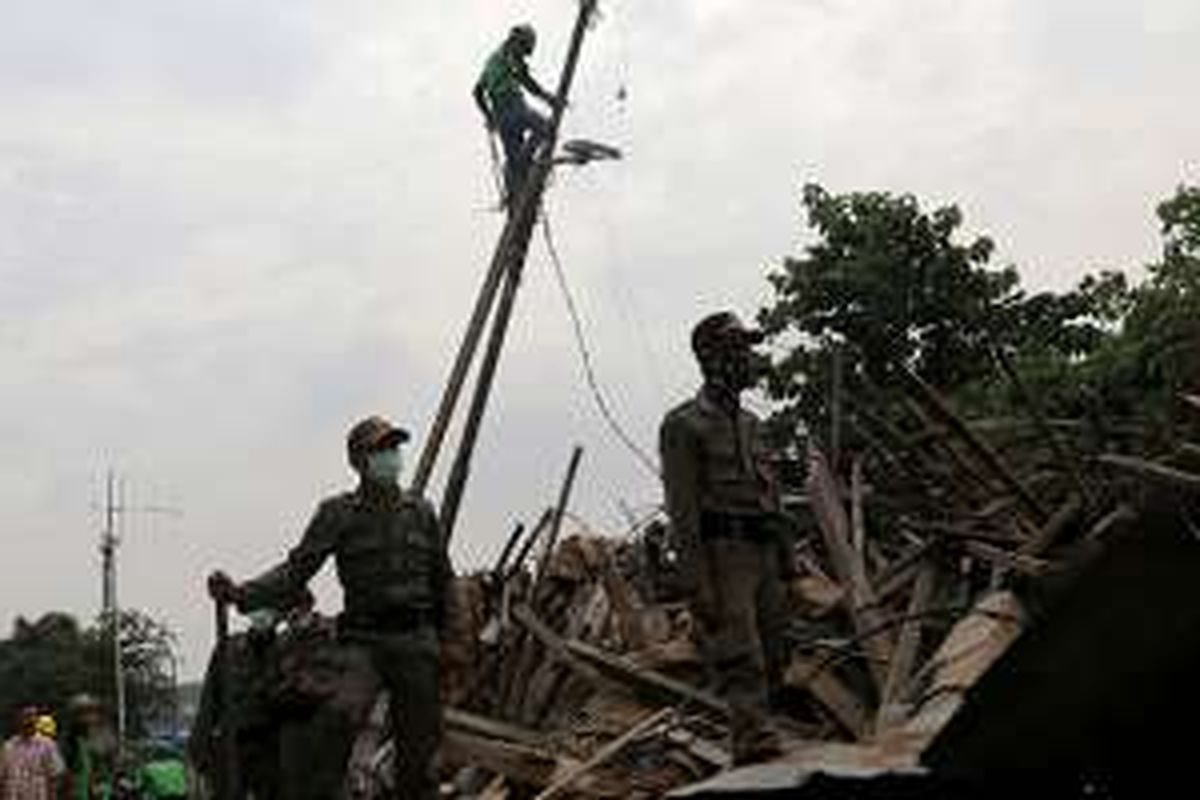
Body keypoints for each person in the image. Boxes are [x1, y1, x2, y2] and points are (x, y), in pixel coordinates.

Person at [209, 415, 451, 800]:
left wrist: (447, 644)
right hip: (364, 641)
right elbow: (295, 571)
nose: (391, 456)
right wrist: (241, 593)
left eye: (394, 448)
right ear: (359, 461)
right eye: (380, 450)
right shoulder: (338, 513)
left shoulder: (421, 512)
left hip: (415, 640)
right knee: (335, 717)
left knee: (421, 752)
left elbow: (443, 583)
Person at [659, 311, 794, 765]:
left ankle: (763, 732)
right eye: (737, 349)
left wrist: (787, 561)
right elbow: (682, 510)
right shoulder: (684, 425)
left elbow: (771, 496)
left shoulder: (753, 426)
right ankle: (754, 746)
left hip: (763, 551)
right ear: (710, 357)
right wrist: (696, 583)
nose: (747, 359)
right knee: (742, 656)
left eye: (748, 349)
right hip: (723, 554)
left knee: (776, 653)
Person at [473, 24, 558, 203]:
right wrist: (549, 98)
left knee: (514, 163)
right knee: (545, 127)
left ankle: (514, 198)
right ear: (519, 42)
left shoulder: (493, 59)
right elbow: (526, 80)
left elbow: (477, 91)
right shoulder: (510, 55)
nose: (524, 54)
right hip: (513, 106)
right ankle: (523, 163)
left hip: (500, 116)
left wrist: (489, 117)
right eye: (525, 48)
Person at [61, 696, 116, 800]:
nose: (87, 717)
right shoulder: (70, 739)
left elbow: (111, 765)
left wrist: (103, 784)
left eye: (90, 712)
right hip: (77, 792)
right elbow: (65, 768)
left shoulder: (105, 737)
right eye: (81, 713)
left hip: (101, 791)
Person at [0, 707, 60, 800]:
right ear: (18, 719)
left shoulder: (47, 746)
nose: (30, 720)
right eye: (26, 716)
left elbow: (54, 778)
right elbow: (2, 778)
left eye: (33, 716)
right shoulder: (9, 747)